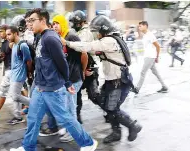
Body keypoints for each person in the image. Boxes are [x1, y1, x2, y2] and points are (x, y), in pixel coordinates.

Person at [10, 8, 98, 151]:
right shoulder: (39, 36)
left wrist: (68, 82)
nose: (29, 25)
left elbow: (62, 62)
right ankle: (28, 147)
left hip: (52, 88)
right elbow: (41, 61)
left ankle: (88, 143)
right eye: (27, 22)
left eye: (32, 21)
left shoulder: (50, 38)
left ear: (43, 20)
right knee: (33, 118)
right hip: (40, 86)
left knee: (65, 118)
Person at [61, 15, 142, 144]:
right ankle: (116, 132)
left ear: (103, 30)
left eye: (97, 31)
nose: (96, 34)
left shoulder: (109, 41)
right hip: (112, 81)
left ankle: (132, 125)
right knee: (103, 103)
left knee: (112, 108)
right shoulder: (109, 40)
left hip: (119, 82)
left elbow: (88, 47)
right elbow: (94, 51)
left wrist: (68, 43)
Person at [38, 14, 88, 143]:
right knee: (65, 106)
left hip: (74, 78)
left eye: (57, 23)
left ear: (63, 24)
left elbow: (84, 53)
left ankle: (74, 133)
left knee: (70, 107)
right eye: (53, 24)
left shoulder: (70, 36)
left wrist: (82, 71)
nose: (55, 26)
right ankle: (68, 129)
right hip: (66, 79)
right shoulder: (57, 38)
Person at [69, 10, 100, 124]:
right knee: (76, 94)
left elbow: (83, 50)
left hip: (89, 67)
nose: (73, 25)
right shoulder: (76, 32)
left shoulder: (86, 33)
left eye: (75, 22)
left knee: (93, 96)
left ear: (81, 22)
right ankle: (77, 119)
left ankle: (109, 110)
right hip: (80, 67)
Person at [6, 26, 32, 125]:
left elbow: (29, 60)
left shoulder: (22, 45)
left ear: (16, 33)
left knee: (15, 96)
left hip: (19, 75)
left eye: (9, 34)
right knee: (14, 95)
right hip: (14, 74)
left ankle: (34, 104)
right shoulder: (14, 45)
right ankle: (17, 117)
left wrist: (29, 72)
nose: (7, 37)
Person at [133, 21, 168, 94]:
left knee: (143, 72)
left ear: (145, 26)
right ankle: (164, 86)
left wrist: (157, 57)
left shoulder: (150, 35)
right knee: (156, 73)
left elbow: (158, 46)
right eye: (139, 26)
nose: (139, 27)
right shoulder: (145, 35)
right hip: (148, 56)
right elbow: (138, 37)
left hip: (150, 57)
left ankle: (137, 89)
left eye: (140, 26)